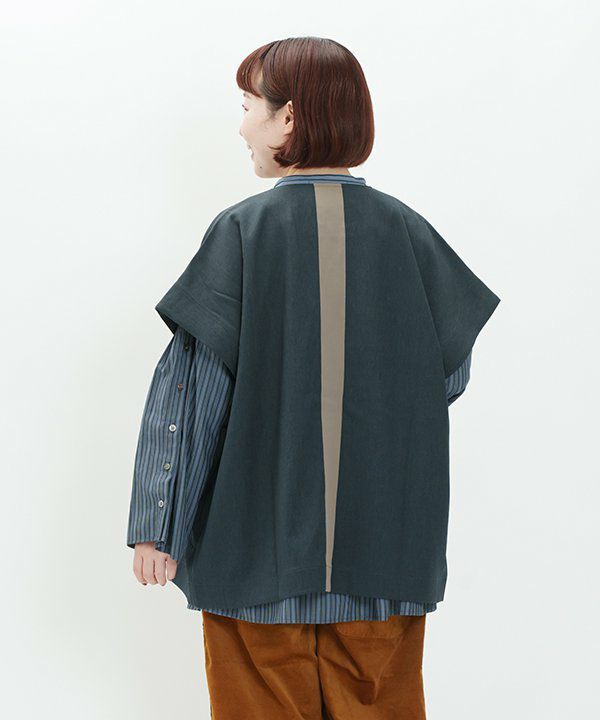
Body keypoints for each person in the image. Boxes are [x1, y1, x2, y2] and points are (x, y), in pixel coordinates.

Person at [126, 36, 500, 719]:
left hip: (254, 563)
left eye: (248, 107)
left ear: (288, 118)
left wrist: (158, 522)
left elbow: (191, 396)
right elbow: (445, 377)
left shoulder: (243, 233)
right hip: (385, 558)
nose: (242, 127)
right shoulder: (410, 234)